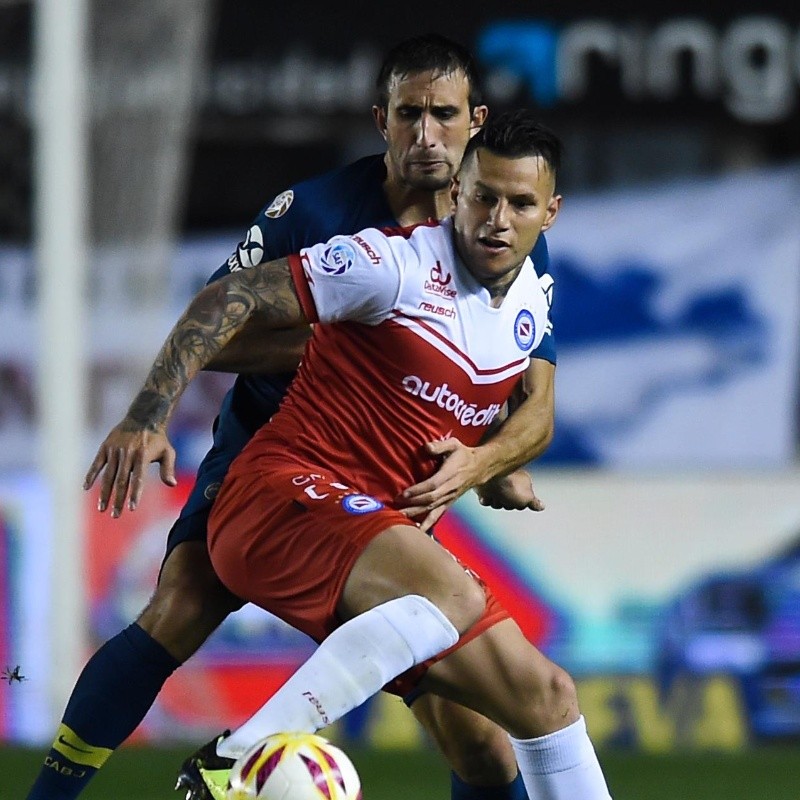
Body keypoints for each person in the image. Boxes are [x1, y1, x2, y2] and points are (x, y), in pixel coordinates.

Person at [25, 36, 555, 800]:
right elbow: (216, 320)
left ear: (476, 120)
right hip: (275, 461)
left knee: (478, 741)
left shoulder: (502, 235)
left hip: (393, 498)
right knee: (180, 605)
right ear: (382, 120)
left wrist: (490, 460)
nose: (427, 135)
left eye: (444, 114)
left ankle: (235, 758)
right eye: (410, 114)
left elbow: (535, 404)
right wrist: (155, 408)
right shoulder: (316, 212)